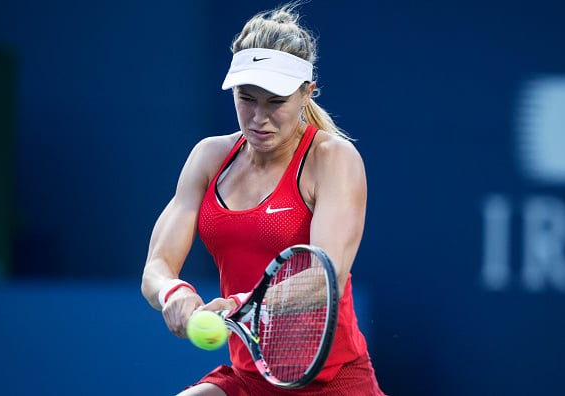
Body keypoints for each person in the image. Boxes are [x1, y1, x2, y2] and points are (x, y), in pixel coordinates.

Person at [141, 3, 385, 395]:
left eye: (275, 102)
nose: (259, 118)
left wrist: (242, 303)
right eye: (246, 98)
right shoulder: (208, 158)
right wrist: (173, 294)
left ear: (307, 93)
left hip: (333, 382)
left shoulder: (333, 159)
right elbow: (157, 267)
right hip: (249, 379)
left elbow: (328, 279)